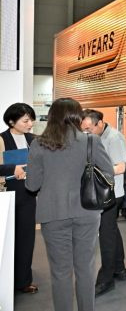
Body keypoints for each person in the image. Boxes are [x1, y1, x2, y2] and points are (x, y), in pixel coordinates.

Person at [26, 98, 113, 311]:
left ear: (52, 116)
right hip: (87, 212)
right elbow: (108, 173)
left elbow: (32, 184)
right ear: (77, 116)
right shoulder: (91, 141)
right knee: (86, 269)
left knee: (60, 272)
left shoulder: (39, 143)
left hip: (53, 214)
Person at [81, 109, 126, 296]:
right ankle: (119, 268)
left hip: (111, 194)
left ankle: (106, 279)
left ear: (100, 123)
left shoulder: (114, 138)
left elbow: (120, 167)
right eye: (83, 129)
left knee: (106, 235)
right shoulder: (95, 137)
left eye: (89, 128)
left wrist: (93, 172)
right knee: (111, 231)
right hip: (103, 192)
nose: (86, 132)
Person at [0, 103, 38, 294]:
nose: (30, 124)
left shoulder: (33, 139)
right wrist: (11, 169)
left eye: (31, 120)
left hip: (28, 194)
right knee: (7, 239)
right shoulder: (2, 139)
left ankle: (23, 281)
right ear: (11, 121)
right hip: (7, 194)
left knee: (26, 239)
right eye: (26, 120)